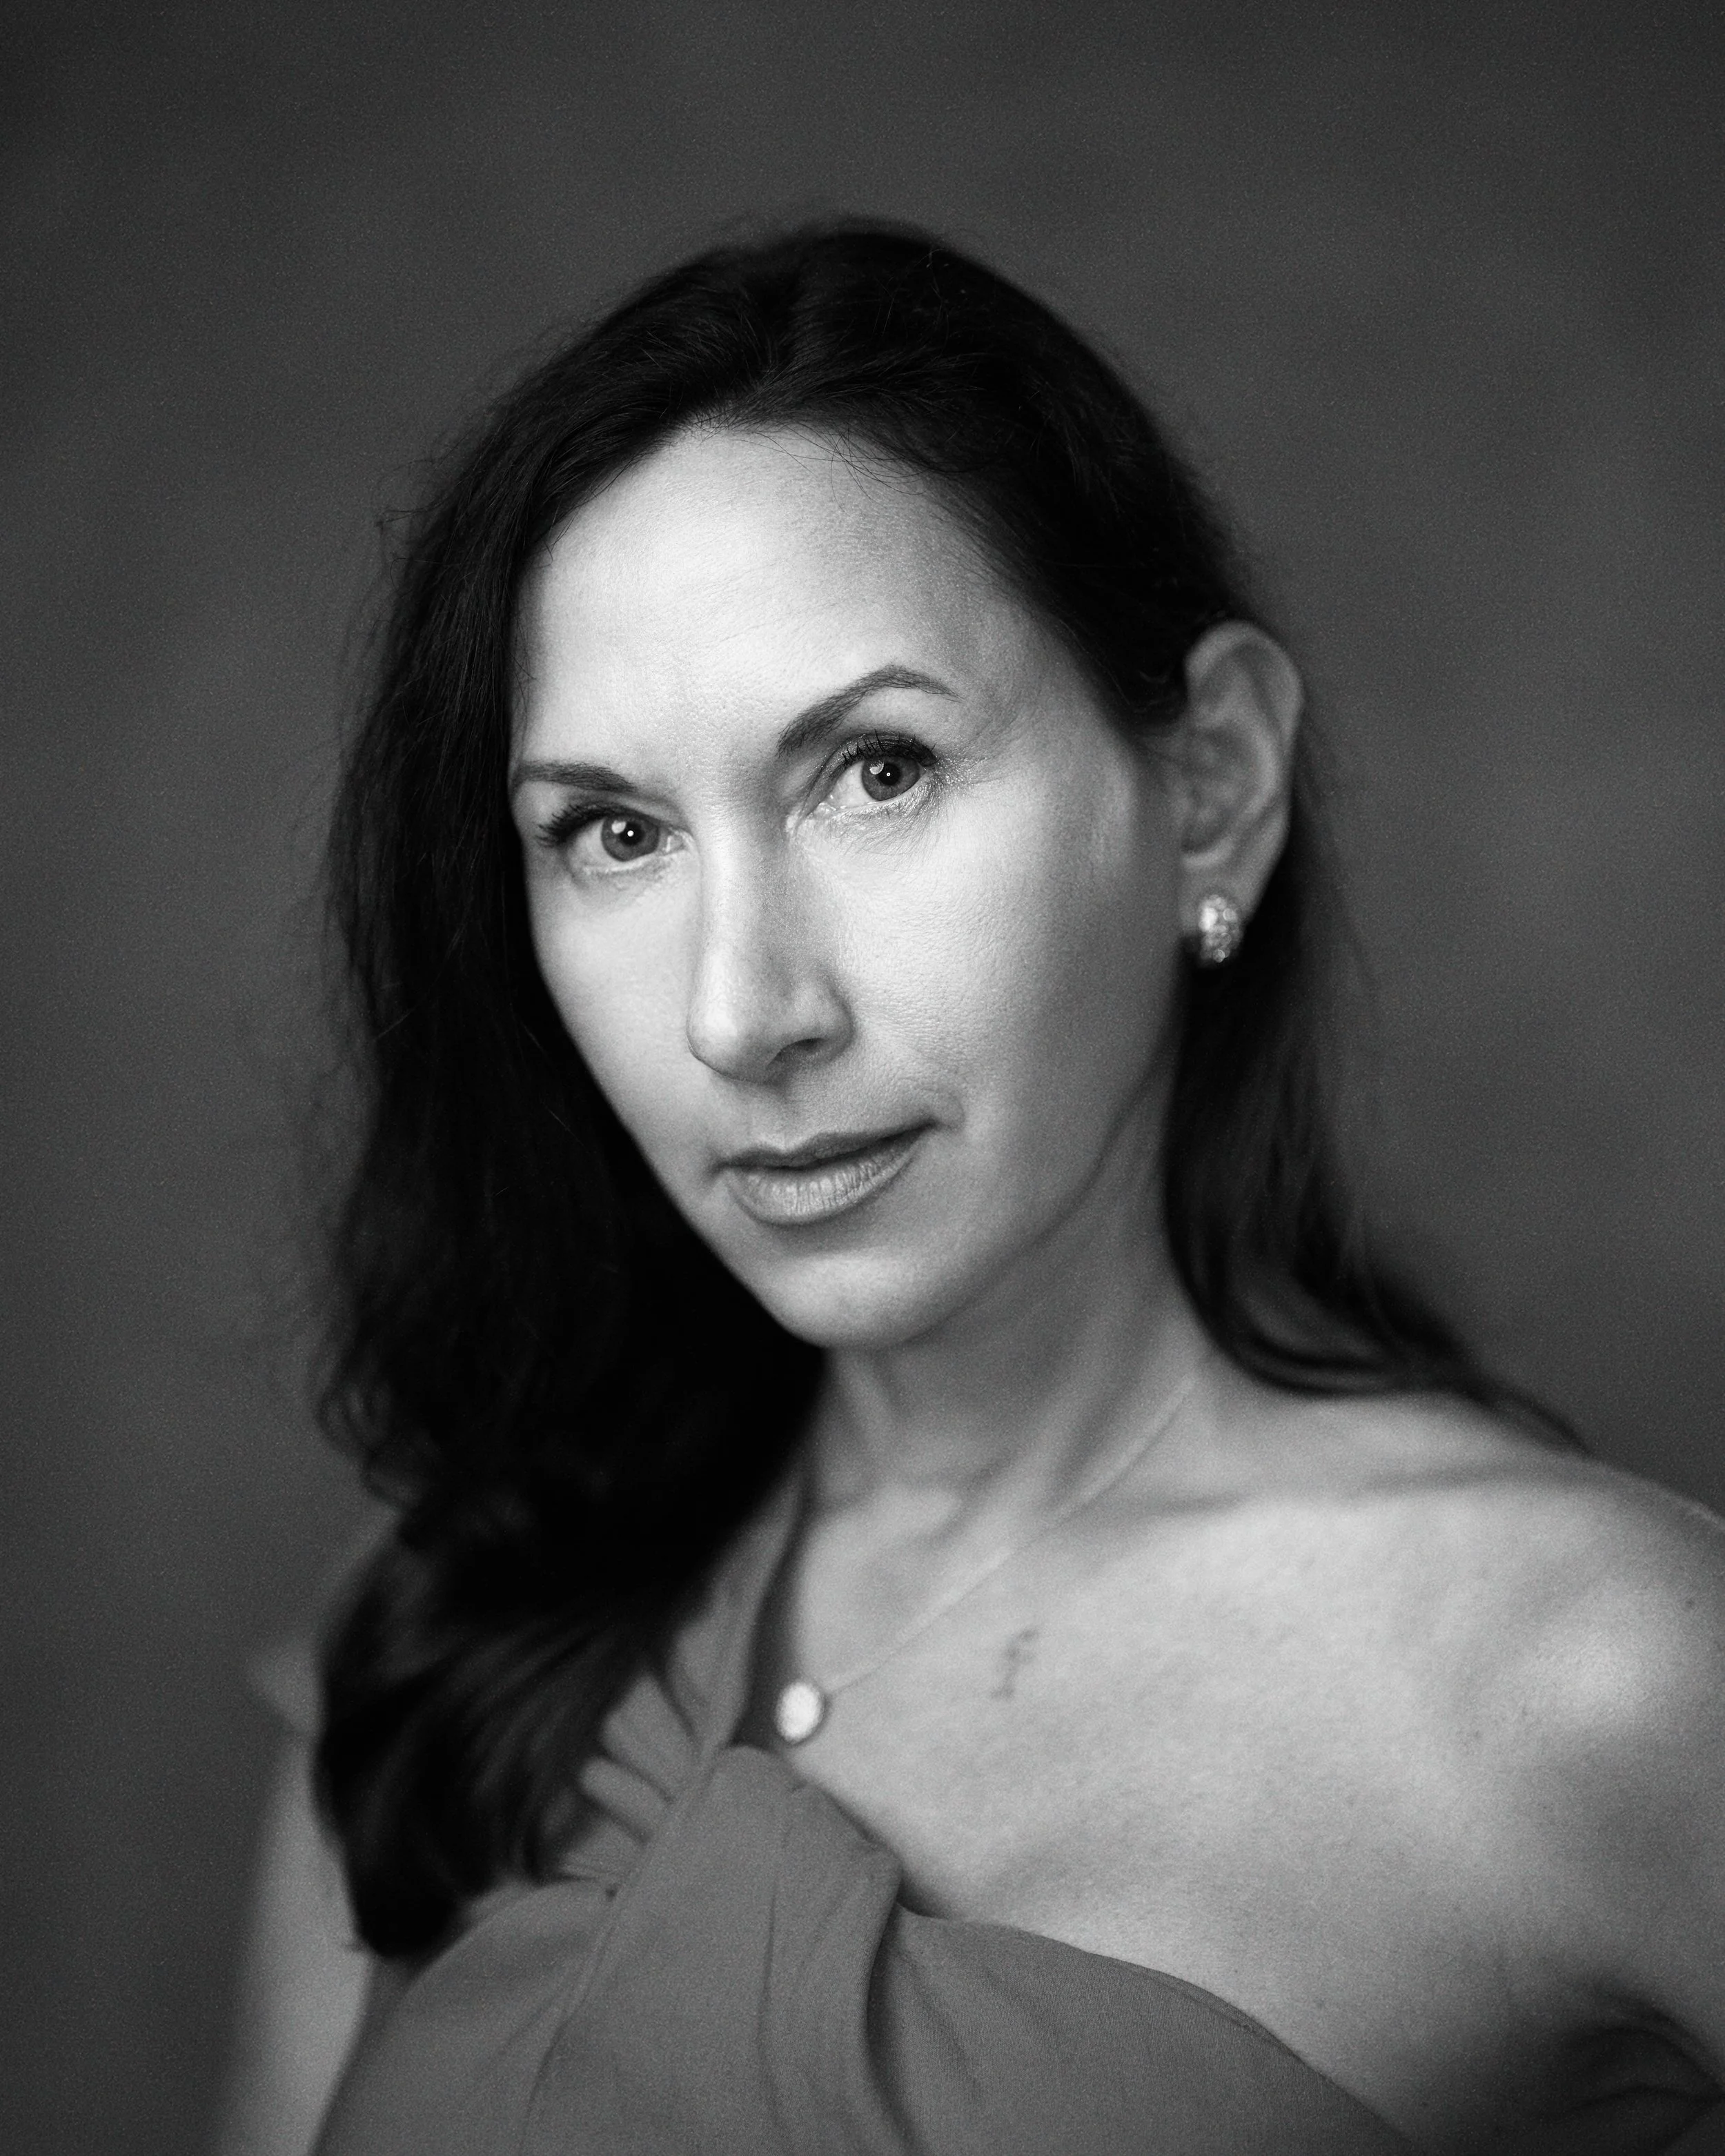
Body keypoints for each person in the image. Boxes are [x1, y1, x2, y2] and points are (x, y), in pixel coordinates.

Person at [234, 224, 1725, 2155]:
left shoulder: (1597, 1680)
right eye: (611, 831)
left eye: (873, 770)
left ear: (1209, 784)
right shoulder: (452, 1620)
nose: (741, 1008)